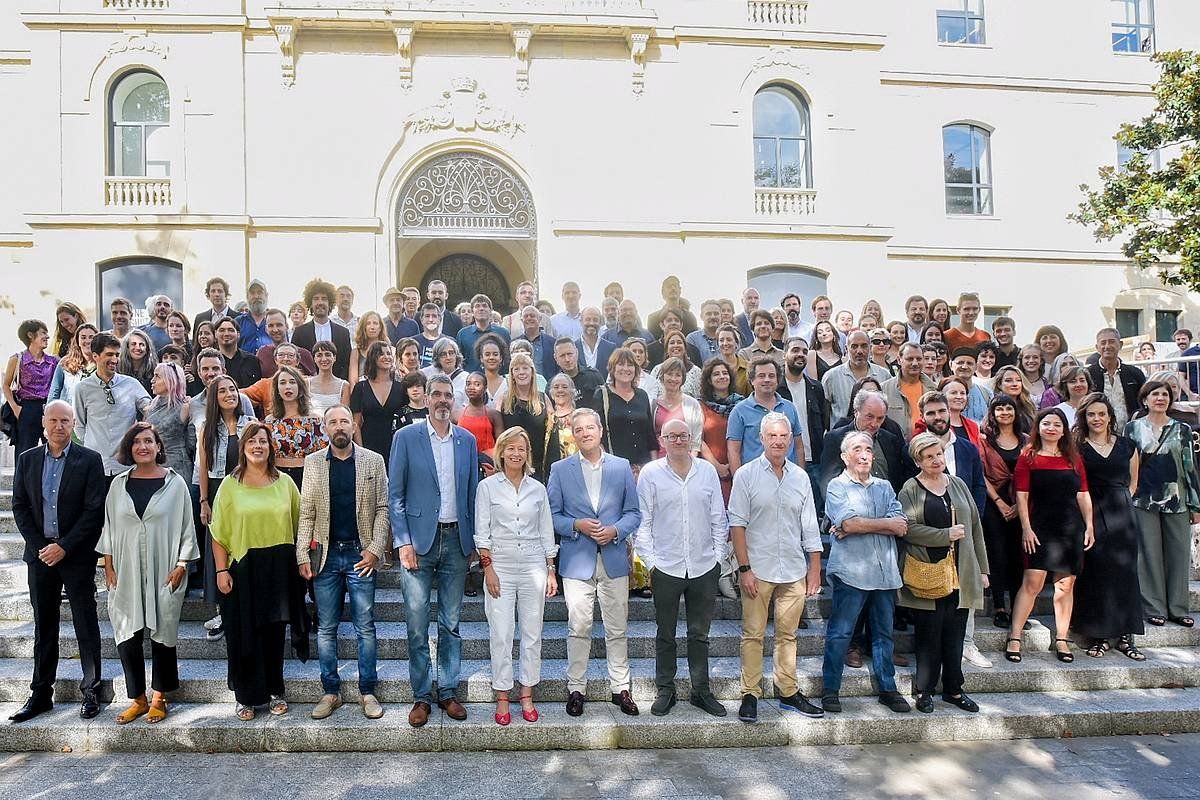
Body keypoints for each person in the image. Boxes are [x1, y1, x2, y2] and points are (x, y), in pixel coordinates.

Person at [389, 374, 480, 728]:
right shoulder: (406, 437)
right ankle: (421, 696)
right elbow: (395, 495)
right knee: (416, 624)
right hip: (419, 545)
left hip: (456, 542)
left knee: (451, 623)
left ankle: (448, 692)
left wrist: (472, 541)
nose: (442, 400)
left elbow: (472, 492)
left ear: (453, 400)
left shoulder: (467, 441)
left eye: (448, 395)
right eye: (436, 395)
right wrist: (403, 542)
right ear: (426, 399)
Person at [8, 400, 106, 723]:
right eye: (53, 420)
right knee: (44, 625)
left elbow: (94, 512)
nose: (59, 426)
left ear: (73, 423)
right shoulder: (27, 460)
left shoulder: (89, 461)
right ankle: (40, 694)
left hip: (75, 556)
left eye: (65, 421)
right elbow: (20, 507)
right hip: (39, 557)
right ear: (44, 424)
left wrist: (63, 547)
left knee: (85, 623)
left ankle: (92, 690)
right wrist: (41, 547)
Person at [99, 422, 198, 724]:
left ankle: (159, 696)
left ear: (158, 447)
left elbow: (186, 527)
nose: (142, 446)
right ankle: (137, 698)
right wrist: (109, 564)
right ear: (130, 448)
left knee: (163, 633)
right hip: (126, 569)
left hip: (165, 568)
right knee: (127, 632)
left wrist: (182, 565)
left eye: (148, 441)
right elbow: (109, 526)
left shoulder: (175, 483)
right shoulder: (118, 485)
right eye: (137, 442)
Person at [729, 413, 824, 723]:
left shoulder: (800, 477)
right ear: (762, 438)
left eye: (784, 436)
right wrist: (744, 568)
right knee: (753, 634)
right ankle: (750, 694)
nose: (779, 441)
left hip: (794, 569)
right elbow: (737, 525)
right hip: (758, 567)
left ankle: (788, 691)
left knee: (788, 635)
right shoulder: (745, 475)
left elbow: (809, 523)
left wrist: (814, 567)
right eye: (772, 436)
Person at [210, 421, 308, 720]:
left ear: (270, 447)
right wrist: (220, 570)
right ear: (243, 448)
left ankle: (276, 691)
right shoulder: (230, 484)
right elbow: (218, 532)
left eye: (263, 441)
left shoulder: (285, 484)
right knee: (243, 635)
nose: (257, 446)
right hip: (242, 568)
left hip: (279, 568)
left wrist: (302, 561)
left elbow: (300, 524)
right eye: (251, 441)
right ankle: (246, 697)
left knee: (274, 634)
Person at [296, 405, 389, 720]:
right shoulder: (313, 463)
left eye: (344, 421)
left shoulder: (373, 461)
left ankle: (367, 692)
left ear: (353, 426)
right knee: (326, 628)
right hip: (325, 556)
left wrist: (376, 549)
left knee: (365, 626)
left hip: (360, 554)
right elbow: (306, 512)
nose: (339, 426)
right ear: (325, 428)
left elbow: (382, 508)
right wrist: (301, 556)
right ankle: (330, 691)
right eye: (333, 421)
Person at [548, 408, 642, 718]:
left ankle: (620, 688)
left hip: (613, 558)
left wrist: (615, 530)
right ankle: (576, 688)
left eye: (591, 427)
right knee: (579, 627)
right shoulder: (560, 469)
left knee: (617, 627)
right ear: (572, 435)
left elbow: (634, 513)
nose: (586, 432)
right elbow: (552, 515)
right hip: (577, 560)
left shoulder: (620, 467)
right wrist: (577, 525)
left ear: (600, 431)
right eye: (579, 429)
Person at [634, 418, 729, 718]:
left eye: (683, 435)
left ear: (691, 439)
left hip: (703, 565)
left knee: (699, 634)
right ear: (662, 440)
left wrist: (717, 559)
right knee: (665, 633)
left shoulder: (707, 472)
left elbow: (718, 516)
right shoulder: (650, 474)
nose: (677, 440)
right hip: (666, 565)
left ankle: (701, 690)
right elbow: (643, 522)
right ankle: (666, 689)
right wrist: (652, 563)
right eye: (671, 436)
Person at [898, 432, 990, 714]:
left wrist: (983, 569)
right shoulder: (910, 489)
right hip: (928, 572)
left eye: (938, 454)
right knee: (929, 635)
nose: (936, 460)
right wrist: (944, 535)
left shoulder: (959, 484)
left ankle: (954, 689)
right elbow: (907, 529)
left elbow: (974, 527)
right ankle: (924, 690)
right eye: (929, 456)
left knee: (955, 633)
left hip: (961, 571)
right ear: (918, 461)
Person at [821, 431, 911, 714]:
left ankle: (888, 688)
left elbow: (902, 524)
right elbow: (847, 524)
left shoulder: (884, 486)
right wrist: (880, 524)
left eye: (868, 449)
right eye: (857, 449)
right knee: (841, 633)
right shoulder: (837, 486)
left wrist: (860, 524)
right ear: (844, 456)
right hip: (851, 572)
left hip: (884, 572)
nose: (863, 454)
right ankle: (830, 689)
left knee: (883, 634)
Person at [474, 426, 558, 726]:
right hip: (501, 564)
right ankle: (502, 693)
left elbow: (547, 529)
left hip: (534, 562)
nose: (516, 453)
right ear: (501, 451)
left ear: (527, 454)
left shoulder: (538, 489)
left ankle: (526, 692)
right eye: (510, 447)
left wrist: (550, 568)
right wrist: (488, 568)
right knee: (502, 631)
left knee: (532, 632)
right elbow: (481, 532)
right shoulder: (487, 487)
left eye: (521, 448)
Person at [1005, 408, 1094, 664]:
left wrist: (1089, 525)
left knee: (1065, 585)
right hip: (1039, 527)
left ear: (1064, 429)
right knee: (1032, 583)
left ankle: (1062, 638)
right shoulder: (1028, 456)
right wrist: (1026, 527)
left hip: (1070, 529)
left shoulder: (1073, 458)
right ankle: (1015, 636)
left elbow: (1083, 494)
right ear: (1038, 427)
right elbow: (1020, 496)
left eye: (1057, 424)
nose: (1052, 428)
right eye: (1047, 423)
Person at [1071, 393, 1146, 659]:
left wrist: (1121, 504)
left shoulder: (1127, 445)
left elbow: (1133, 483)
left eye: (1101, 413)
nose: (1097, 419)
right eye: (1091, 414)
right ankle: (1099, 635)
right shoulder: (1077, 447)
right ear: (1084, 417)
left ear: (1110, 417)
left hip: (1121, 513)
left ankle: (1126, 637)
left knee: (1125, 572)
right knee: (1097, 572)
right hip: (1090, 512)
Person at [1127, 380, 1200, 629]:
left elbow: (1190, 467)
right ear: (1145, 399)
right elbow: (1128, 466)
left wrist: (1195, 504)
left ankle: (1178, 608)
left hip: (1177, 499)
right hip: (1143, 499)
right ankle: (1153, 607)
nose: (1160, 398)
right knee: (1148, 555)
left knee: (1178, 555)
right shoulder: (1132, 428)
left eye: (1164, 394)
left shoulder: (1183, 429)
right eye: (1154, 394)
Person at [978, 394, 1028, 630]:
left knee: (1019, 556)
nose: (1005, 412)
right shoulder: (985, 440)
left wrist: (1018, 506)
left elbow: (1031, 475)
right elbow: (982, 474)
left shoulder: (1026, 440)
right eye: (1000, 409)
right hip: (994, 503)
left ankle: (1020, 608)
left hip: (1022, 504)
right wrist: (1000, 502)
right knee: (997, 555)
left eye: (1009, 408)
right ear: (993, 413)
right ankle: (999, 608)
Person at [73, 333, 150, 483]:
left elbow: (151, 409)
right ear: (95, 356)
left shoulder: (131, 384)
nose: (114, 360)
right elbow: (80, 426)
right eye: (109, 354)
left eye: (117, 354)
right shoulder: (82, 388)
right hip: (95, 465)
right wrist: (92, 448)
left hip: (125, 466)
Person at [726, 358, 802, 473]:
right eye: (761, 376)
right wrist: (739, 481)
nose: (767, 380)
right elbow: (733, 451)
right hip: (753, 479)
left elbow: (798, 446)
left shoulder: (789, 407)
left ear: (777, 380)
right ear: (752, 380)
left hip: (787, 477)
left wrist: (800, 476)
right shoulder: (739, 411)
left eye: (771, 376)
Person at [778, 336, 831, 492]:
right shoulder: (776, 389)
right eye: (795, 350)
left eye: (804, 351)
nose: (801, 354)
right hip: (784, 460)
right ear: (784, 354)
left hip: (814, 460)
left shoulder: (816, 388)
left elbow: (824, 422)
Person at [594, 347, 656, 471]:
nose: (626, 369)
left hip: (643, 467)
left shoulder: (642, 395)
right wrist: (606, 463)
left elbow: (650, 435)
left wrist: (654, 466)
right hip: (614, 466)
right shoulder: (602, 394)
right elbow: (596, 434)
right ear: (612, 368)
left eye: (630, 365)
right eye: (621, 364)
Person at [265, 364, 327, 489]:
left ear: (300, 387)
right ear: (277, 389)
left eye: (292, 382)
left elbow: (323, 455)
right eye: (282, 382)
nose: (287, 386)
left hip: (308, 477)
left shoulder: (314, 419)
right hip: (278, 477)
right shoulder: (270, 421)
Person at [3, 319, 59, 456]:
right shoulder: (17, 359)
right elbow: (5, 386)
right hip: (27, 408)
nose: (47, 336)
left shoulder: (54, 361)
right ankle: (22, 478)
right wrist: (16, 409)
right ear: (30, 335)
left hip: (49, 408)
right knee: (25, 452)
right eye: (43, 333)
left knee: (54, 450)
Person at [350, 341, 404, 468]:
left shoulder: (401, 388)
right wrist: (361, 451)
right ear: (373, 358)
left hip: (396, 445)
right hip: (369, 444)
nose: (386, 357)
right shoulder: (361, 387)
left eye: (389, 354)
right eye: (381, 354)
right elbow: (355, 423)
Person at [498, 352, 551, 483]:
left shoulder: (543, 398)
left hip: (538, 466)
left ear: (532, 372)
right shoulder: (504, 400)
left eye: (525, 368)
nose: (521, 372)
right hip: (511, 465)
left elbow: (552, 429)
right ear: (512, 375)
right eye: (516, 369)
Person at [699, 359, 743, 506]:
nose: (722, 376)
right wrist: (717, 466)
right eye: (716, 374)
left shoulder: (742, 405)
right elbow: (698, 439)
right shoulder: (701, 405)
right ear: (709, 380)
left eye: (725, 373)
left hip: (740, 468)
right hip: (711, 470)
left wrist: (735, 465)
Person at [822, 331, 892, 421]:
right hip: (842, 433)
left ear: (870, 348)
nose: (859, 351)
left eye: (864, 346)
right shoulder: (831, 377)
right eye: (854, 346)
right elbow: (825, 412)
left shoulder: (884, 375)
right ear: (846, 349)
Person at [292, 279, 353, 381]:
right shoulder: (299, 332)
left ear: (330, 303)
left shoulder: (343, 333)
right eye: (316, 299)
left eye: (324, 299)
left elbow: (346, 363)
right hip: (308, 388)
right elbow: (296, 362)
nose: (320, 302)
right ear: (310, 303)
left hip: (337, 389)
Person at [1088, 327, 1147, 432]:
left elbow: (1145, 401)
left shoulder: (1134, 373)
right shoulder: (1088, 374)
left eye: (1111, 342)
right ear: (1097, 347)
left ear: (1120, 345)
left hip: (1131, 432)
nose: (1107, 346)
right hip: (1098, 433)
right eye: (1103, 343)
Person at [143, 363, 194, 480]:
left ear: (170, 380)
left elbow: (192, 442)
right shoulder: (150, 407)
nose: (152, 380)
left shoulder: (185, 407)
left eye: (157, 376)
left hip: (178, 469)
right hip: (152, 466)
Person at [882, 343, 937, 441]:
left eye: (919, 359)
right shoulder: (884, 389)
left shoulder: (934, 390)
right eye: (910, 359)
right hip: (896, 448)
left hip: (927, 446)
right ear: (899, 360)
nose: (915, 363)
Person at [651, 357, 703, 459]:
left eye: (678, 375)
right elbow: (651, 440)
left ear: (683, 379)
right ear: (662, 376)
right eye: (670, 374)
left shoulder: (692, 404)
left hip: (685, 460)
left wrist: (692, 461)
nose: (673, 379)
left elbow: (696, 440)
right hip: (660, 461)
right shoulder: (653, 404)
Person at [454, 372, 503, 468]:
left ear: (485, 388)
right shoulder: (456, 414)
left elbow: (501, 443)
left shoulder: (493, 414)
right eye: (468, 384)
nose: (472, 387)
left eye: (477, 384)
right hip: (463, 464)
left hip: (488, 465)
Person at [255, 309, 317, 378]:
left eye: (279, 325)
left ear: (287, 326)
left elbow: (314, 382)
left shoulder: (304, 354)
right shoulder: (262, 353)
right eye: (271, 326)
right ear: (266, 329)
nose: (275, 330)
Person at [456, 294, 509, 373]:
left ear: (491, 311)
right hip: (471, 382)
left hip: (498, 381)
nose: (481, 309)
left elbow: (507, 359)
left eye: (484, 306)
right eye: (477, 306)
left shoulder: (503, 333)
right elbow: (459, 361)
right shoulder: (463, 334)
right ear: (472, 311)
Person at [47, 323, 97, 407]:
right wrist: (49, 413)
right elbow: (54, 392)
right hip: (68, 415)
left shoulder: (103, 364)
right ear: (78, 341)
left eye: (91, 337)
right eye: (83, 337)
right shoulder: (65, 363)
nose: (88, 341)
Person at [543, 372, 580, 476]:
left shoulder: (579, 417)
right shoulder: (548, 419)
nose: (560, 390)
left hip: (574, 473)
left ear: (572, 392)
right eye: (556, 387)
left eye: (564, 387)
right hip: (551, 475)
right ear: (551, 393)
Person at [213, 316, 263, 389]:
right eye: (222, 330)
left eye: (230, 330)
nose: (226, 334)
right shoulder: (212, 361)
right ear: (215, 334)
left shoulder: (252, 361)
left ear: (238, 334)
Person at [650, 330, 702, 397]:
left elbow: (700, 398)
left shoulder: (696, 371)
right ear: (666, 349)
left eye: (679, 342)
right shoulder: (657, 370)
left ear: (685, 348)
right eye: (672, 343)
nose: (676, 345)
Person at [553, 337, 602, 407]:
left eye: (570, 354)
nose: (567, 359)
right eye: (562, 356)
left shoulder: (594, 376)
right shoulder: (553, 385)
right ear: (556, 358)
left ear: (577, 353)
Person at [307, 341, 351, 417]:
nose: (324, 359)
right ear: (314, 359)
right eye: (319, 355)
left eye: (327, 355)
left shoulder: (344, 386)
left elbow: (344, 415)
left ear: (334, 358)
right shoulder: (306, 383)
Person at [646, 275, 698, 339]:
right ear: (663, 292)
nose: (673, 289)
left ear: (680, 290)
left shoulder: (690, 317)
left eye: (675, 286)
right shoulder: (653, 319)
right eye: (669, 286)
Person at [576, 307, 616, 380]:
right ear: (581, 322)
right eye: (588, 319)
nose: (591, 323)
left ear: (600, 323)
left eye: (595, 320)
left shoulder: (611, 348)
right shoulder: (573, 347)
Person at [992, 364, 1036, 430]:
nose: (1015, 384)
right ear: (999, 384)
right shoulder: (993, 405)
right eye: (1009, 380)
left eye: (1018, 380)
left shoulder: (1028, 405)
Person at [715, 323, 751, 396]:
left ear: (736, 342)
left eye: (729, 339)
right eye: (721, 340)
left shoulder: (748, 367)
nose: (725, 343)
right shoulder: (711, 368)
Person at [118, 328, 158, 394]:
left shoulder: (155, 371)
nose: (138, 348)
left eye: (141, 344)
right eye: (133, 344)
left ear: (147, 349)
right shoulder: (118, 370)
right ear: (127, 348)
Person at [412, 303, 449, 371]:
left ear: (440, 319)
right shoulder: (412, 342)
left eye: (434, 316)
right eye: (427, 316)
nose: (431, 319)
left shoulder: (449, 342)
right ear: (421, 319)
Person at [625, 337, 661, 402]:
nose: (637, 354)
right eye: (634, 351)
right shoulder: (615, 375)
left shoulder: (652, 382)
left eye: (641, 352)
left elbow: (649, 404)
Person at [476, 333, 509, 402]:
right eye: (487, 354)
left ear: (501, 358)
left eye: (495, 354)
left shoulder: (508, 384)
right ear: (481, 358)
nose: (491, 357)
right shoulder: (475, 384)